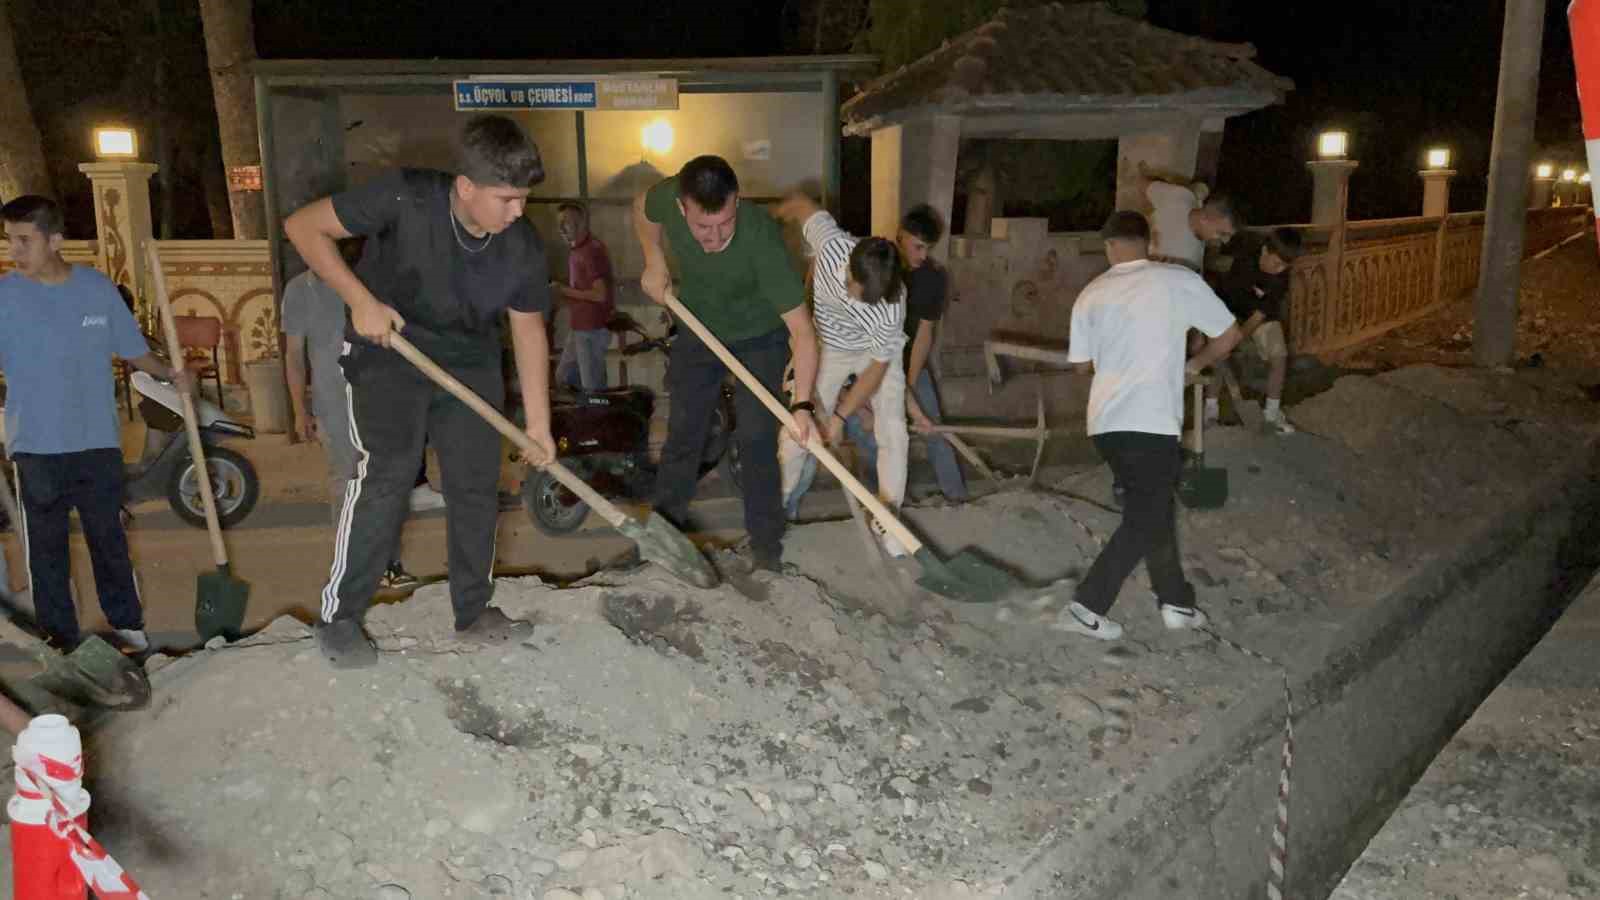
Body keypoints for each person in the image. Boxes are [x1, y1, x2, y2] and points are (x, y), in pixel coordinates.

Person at [284, 114, 557, 668]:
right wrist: (359, 299)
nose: (519, 211)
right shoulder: (406, 197)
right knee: (385, 474)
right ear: (466, 187)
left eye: (524, 198)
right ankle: (340, 618)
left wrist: (538, 424)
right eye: (507, 199)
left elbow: (528, 328)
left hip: (470, 360)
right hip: (390, 348)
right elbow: (303, 227)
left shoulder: (521, 245)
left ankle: (474, 610)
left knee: (477, 483)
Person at [0, 195, 195, 652]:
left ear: (56, 241)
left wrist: (171, 373)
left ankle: (128, 630)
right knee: (47, 556)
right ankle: (61, 642)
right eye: (10, 241)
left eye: (25, 241)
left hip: (96, 443)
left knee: (108, 542)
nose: (15, 251)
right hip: (35, 445)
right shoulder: (5, 295)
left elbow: (131, 349)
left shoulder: (96, 289)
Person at [1056, 210, 1242, 641]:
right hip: (1151, 419)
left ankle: (1175, 601)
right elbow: (1229, 335)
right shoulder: (1175, 280)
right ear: (1149, 239)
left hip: (1104, 423)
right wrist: (1192, 365)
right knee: (1147, 514)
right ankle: (1086, 606)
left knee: (1153, 508)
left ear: (1108, 247)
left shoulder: (1090, 293)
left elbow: (1081, 366)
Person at [634, 156, 818, 573]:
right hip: (700, 325)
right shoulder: (669, 198)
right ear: (682, 208)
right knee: (684, 432)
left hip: (760, 336)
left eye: (725, 222)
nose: (715, 237)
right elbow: (641, 206)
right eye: (703, 227)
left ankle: (767, 550)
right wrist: (653, 258)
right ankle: (661, 541)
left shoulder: (761, 241)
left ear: (737, 202)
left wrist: (803, 406)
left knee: (756, 437)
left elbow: (803, 334)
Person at [281, 240, 429, 592]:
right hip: (332, 405)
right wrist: (298, 409)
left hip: (376, 400)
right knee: (346, 483)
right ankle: (351, 567)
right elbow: (293, 356)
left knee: (384, 480)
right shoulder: (299, 291)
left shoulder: (365, 285)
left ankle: (389, 564)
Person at [772, 192, 908, 553]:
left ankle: (891, 528)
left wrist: (841, 415)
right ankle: (775, 510)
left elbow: (876, 371)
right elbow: (802, 204)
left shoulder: (892, 306)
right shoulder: (833, 246)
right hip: (831, 348)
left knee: (893, 428)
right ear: (850, 269)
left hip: (877, 355)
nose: (864, 304)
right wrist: (776, 215)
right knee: (796, 431)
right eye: (860, 294)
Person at [845, 204, 969, 504]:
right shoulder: (876, 266)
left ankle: (956, 497)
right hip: (868, 366)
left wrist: (908, 385)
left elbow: (925, 334)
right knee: (872, 433)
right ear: (900, 237)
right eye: (918, 247)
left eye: (928, 248)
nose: (923, 255)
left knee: (933, 427)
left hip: (909, 365)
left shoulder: (933, 278)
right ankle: (889, 500)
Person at [1207, 227, 1304, 435]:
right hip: (1227, 308)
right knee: (1219, 350)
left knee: (1279, 355)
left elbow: (1260, 315)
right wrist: (1228, 339)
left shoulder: (1281, 278)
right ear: (1264, 250)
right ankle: (1210, 407)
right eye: (1277, 263)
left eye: (1285, 266)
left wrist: (1238, 337)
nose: (1280, 269)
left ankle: (1272, 413)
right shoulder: (1245, 251)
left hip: (1258, 315)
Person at [551, 202, 615, 391]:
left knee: (591, 387)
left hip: (592, 329)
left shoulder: (591, 251)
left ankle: (595, 414)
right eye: (559, 223)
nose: (561, 228)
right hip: (580, 327)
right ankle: (586, 411)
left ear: (581, 223)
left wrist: (563, 290)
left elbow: (600, 294)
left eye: (566, 222)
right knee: (563, 376)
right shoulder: (577, 250)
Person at [1141, 166, 1237, 270]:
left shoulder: (1183, 196)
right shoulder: (1189, 259)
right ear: (1204, 219)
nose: (1225, 241)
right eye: (1221, 233)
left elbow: (1143, 184)